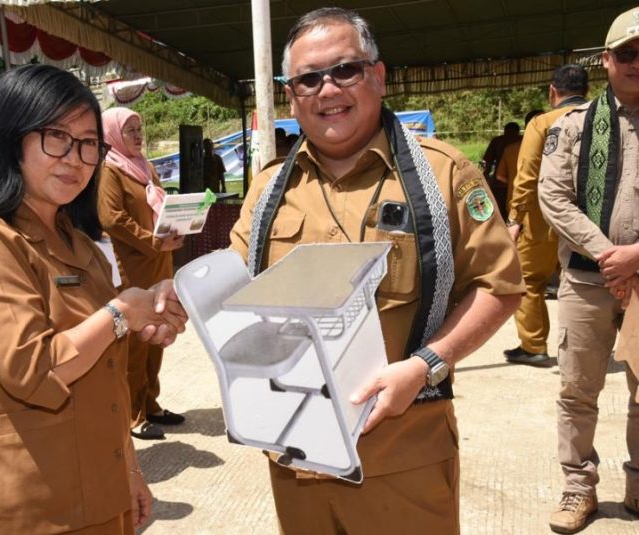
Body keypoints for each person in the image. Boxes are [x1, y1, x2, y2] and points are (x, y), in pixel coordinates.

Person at [230, 8, 523, 533]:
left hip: (403, 456)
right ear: (290, 94)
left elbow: (498, 287)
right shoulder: (268, 189)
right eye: (308, 79)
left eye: (346, 70)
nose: (327, 90)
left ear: (378, 76)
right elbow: (232, 287)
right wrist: (165, 299)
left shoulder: (443, 173)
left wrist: (426, 365)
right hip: (296, 456)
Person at [0, 65, 187, 533]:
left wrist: (129, 472)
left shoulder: (80, 243)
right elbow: (34, 369)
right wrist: (119, 314)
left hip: (101, 493)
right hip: (28, 510)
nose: (75, 158)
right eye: (56, 137)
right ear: (12, 141)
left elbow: (106, 372)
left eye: (89, 142)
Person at [539, 9, 639, 533]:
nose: (636, 63)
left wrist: (635, 256)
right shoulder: (574, 126)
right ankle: (579, 489)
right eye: (627, 53)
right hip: (586, 279)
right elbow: (553, 197)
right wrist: (610, 254)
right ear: (606, 60)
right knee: (578, 390)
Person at [98, 107, 186, 440]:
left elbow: (159, 209)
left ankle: (151, 403)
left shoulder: (145, 167)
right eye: (129, 130)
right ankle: (133, 414)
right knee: (136, 339)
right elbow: (111, 218)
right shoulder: (110, 170)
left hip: (159, 260)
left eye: (139, 129)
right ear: (113, 135)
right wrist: (152, 240)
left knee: (159, 335)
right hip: (132, 264)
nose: (137, 135)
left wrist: (178, 222)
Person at [504, 65, 589, 368]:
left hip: (542, 221)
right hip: (589, 221)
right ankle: (581, 350)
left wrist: (515, 219)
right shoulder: (601, 118)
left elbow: (526, 176)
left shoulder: (541, 123)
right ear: (587, 91)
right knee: (584, 284)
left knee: (529, 281)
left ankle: (534, 346)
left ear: (553, 92)